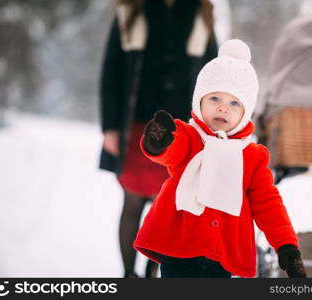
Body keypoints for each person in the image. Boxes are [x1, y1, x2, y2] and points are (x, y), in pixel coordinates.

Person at [133, 39, 307, 278]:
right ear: (199, 101)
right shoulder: (189, 135)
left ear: (246, 113)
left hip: (222, 255)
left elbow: (268, 203)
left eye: (234, 102)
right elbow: (172, 150)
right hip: (179, 247)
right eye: (215, 98)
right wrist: (159, 141)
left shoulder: (252, 156)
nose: (223, 108)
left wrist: (286, 244)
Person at [99, 0, 218, 278]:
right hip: (137, 128)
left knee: (170, 207)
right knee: (132, 202)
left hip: (180, 133)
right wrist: (110, 127)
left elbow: (213, 75)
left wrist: (209, 130)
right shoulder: (131, 11)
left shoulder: (200, 12)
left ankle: (153, 272)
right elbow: (111, 71)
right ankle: (129, 275)